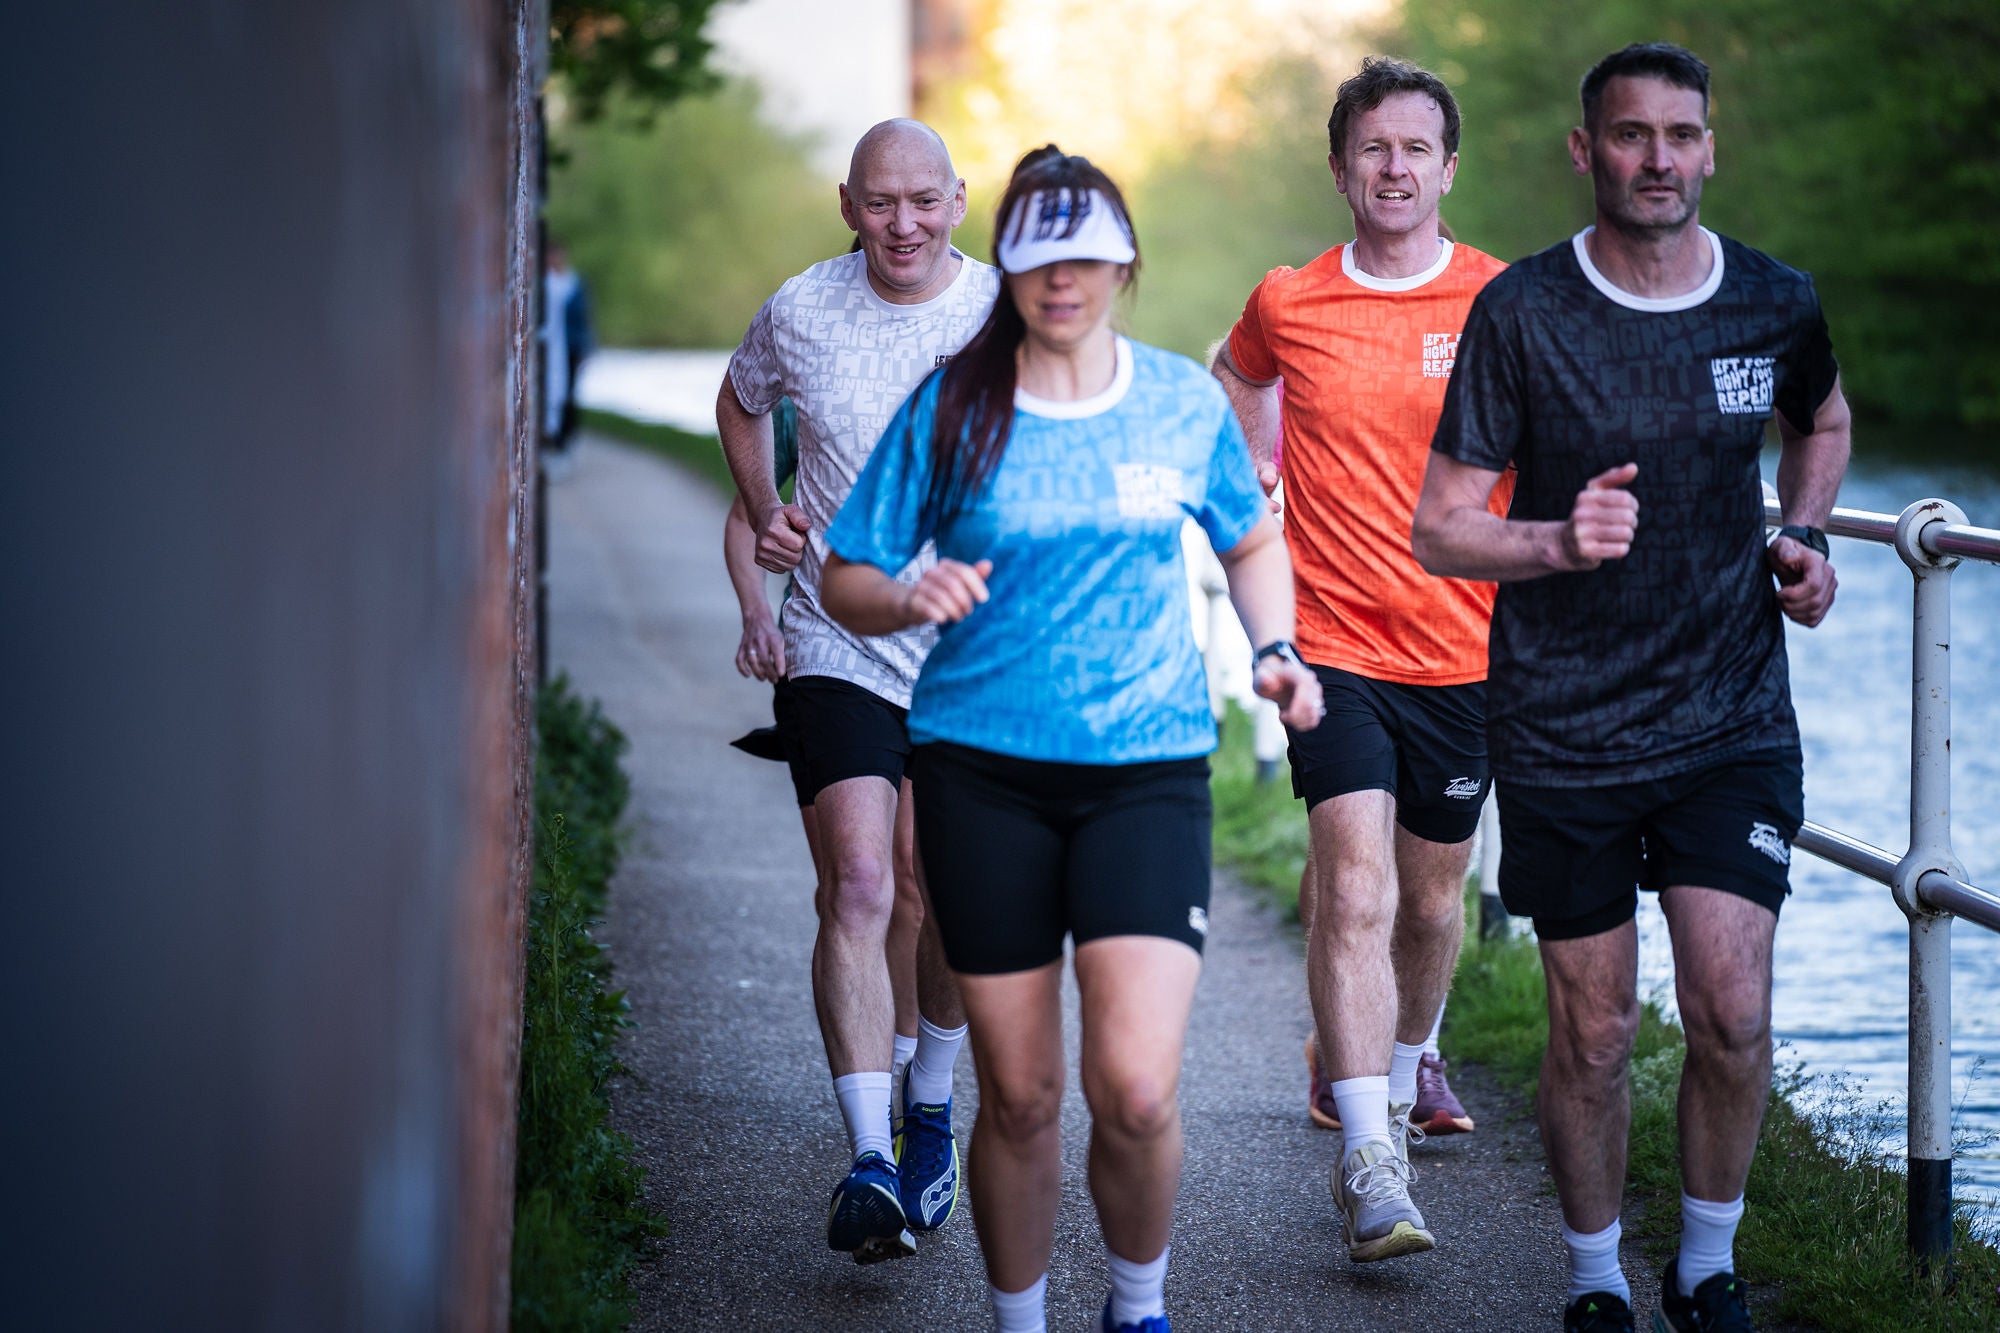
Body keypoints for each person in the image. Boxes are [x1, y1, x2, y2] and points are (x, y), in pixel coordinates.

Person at [821, 147, 1322, 1333]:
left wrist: (1273, 649)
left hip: (1145, 774)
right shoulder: (953, 406)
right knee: (1025, 1094)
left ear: (1121, 262)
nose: (1064, 281)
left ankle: (1135, 1309)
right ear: (1007, 265)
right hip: (979, 773)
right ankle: (1022, 1319)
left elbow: (1247, 540)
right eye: (1040, 259)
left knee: (1138, 1089)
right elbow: (845, 573)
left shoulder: (1174, 400)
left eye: (1087, 257)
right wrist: (905, 596)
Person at [1411, 42, 1849, 1333]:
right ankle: (1597, 1276)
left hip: (1730, 719)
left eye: (1679, 135)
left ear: (1710, 148)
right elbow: (1441, 526)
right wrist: (1553, 540)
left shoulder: (1773, 301)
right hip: (1562, 727)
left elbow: (1819, 419)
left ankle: (1706, 1268)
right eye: (1629, 134)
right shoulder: (1526, 311)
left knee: (1731, 1007)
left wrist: (1809, 537)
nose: (1656, 158)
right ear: (1583, 150)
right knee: (1595, 1035)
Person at [1210, 56, 1507, 1264]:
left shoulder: (1502, 300)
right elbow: (1234, 380)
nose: (1393, 169)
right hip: (1328, 642)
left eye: (1414, 150)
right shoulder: (1291, 300)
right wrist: (1253, 488)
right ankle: (1370, 1161)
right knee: (1356, 882)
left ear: (1447, 167)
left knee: (1432, 899)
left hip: (1466, 645)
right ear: (1340, 168)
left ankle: (1396, 1058)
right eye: (1371, 150)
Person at [717, 119, 998, 1264]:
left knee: (946, 897)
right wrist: (767, 500)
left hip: (971, 653)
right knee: (863, 881)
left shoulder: (1003, 312)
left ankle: (929, 1096)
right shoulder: (799, 309)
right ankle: (870, 1158)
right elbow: (741, 403)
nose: (902, 223)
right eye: (879, 202)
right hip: (835, 633)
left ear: (958, 201)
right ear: (847, 205)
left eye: (922, 201)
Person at [543, 239, 594, 454]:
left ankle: (566, 438)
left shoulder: (574, 283)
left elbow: (584, 317)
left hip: (570, 346)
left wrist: (585, 346)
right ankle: (551, 437)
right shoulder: (546, 282)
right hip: (550, 346)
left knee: (570, 392)